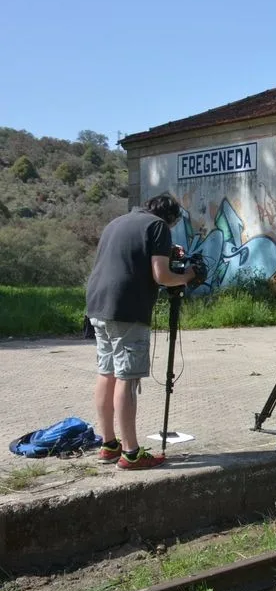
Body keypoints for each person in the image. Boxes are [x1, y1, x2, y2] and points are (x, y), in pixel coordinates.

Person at [85, 194, 197, 470]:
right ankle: (131, 453)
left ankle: (109, 445)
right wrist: (186, 276)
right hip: (126, 309)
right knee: (127, 377)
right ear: (169, 218)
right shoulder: (157, 226)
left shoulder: (117, 222)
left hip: (97, 305)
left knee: (107, 371)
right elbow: (162, 275)